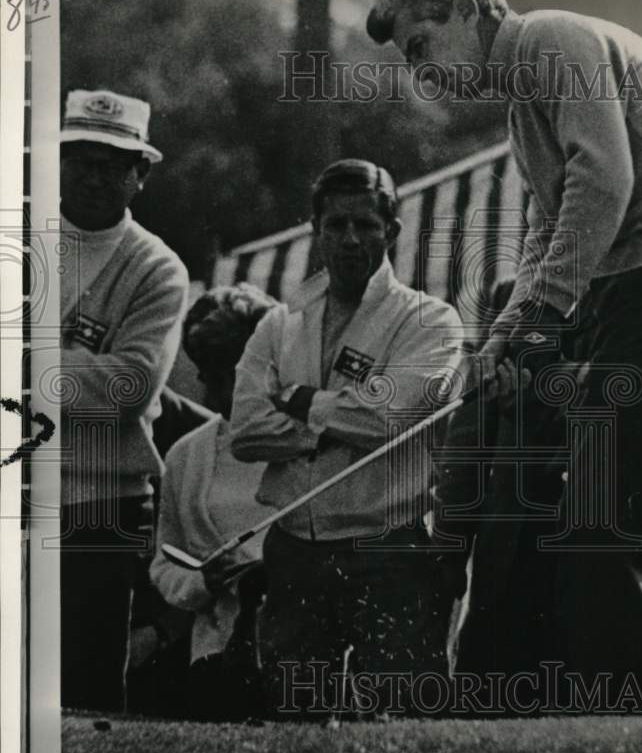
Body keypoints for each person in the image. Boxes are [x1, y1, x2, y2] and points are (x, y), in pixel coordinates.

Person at [368, 0, 642, 705]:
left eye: (421, 44)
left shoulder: (550, 39)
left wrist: (538, 317)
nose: (420, 71)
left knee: (606, 524)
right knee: (639, 526)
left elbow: (602, 181)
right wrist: (507, 332)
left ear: (469, 11)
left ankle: (622, 719)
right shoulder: (523, 98)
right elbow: (550, 224)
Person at [230, 159, 465, 718]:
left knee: (399, 720)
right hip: (294, 547)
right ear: (316, 231)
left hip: (386, 548)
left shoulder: (429, 322)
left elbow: (390, 422)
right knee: (292, 720)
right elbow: (244, 431)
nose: (350, 239)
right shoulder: (280, 324)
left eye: (366, 224)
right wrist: (333, 426)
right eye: (335, 225)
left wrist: (298, 399)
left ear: (393, 231)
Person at [59, 88, 189, 712]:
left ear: (140, 175)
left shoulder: (157, 268)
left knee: (84, 689)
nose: (92, 174)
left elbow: (130, 389)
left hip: (100, 503)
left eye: (112, 163)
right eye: (81, 156)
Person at [148, 284, 277, 721]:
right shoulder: (186, 456)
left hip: (297, 649)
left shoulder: (309, 443)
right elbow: (164, 565)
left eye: (238, 377)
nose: (227, 395)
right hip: (215, 654)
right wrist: (203, 581)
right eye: (213, 378)